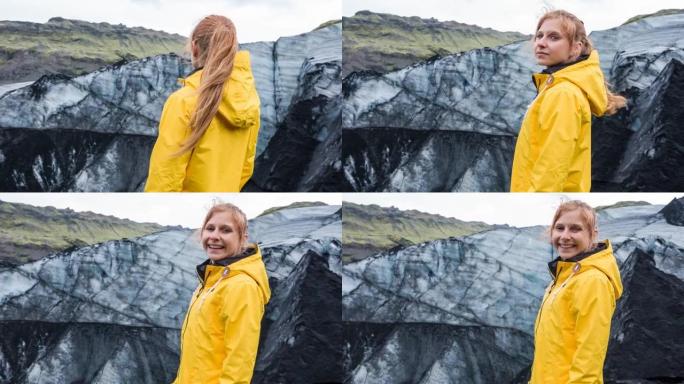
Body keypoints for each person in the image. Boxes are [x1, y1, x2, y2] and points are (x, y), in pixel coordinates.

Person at [510, 10, 626, 192]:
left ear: (575, 48)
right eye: (539, 36)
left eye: (553, 37)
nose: (541, 43)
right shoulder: (559, 88)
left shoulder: (564, 94)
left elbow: (553, 166)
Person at [145, 15, 260, 192]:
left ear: (194, 47)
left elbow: (165, 176)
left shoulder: (183, 101)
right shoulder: (250, 102)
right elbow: (246, 167)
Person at [173, 203, 271, 383]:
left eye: (226, 230)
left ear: (243, 237)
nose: (214, 236)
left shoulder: (242, 286)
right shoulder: (211, 280)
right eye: (210, 228)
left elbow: (239, 361)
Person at [530, 200, 622, 383]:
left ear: (592, 234)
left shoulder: (593, 281)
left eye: (575, 229)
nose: (565, 236)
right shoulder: (563, 278)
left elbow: (589, 357)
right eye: (560, 228)